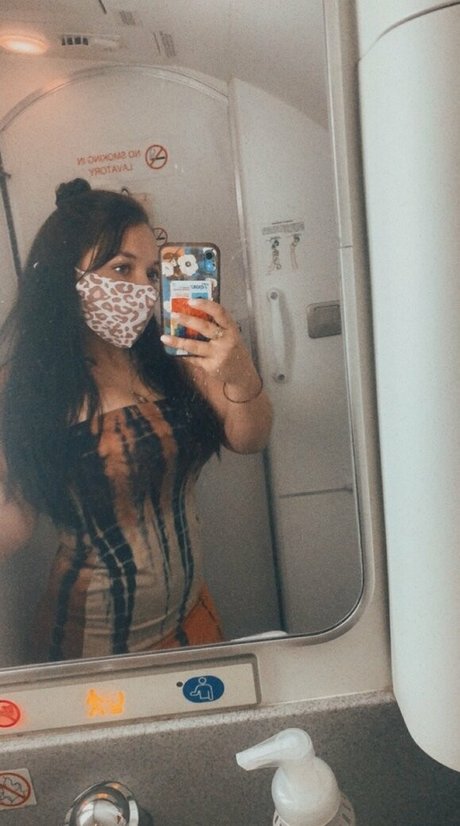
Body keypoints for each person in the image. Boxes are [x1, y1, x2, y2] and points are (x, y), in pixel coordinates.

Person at [0, 178, 272, 662]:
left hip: (192, 616)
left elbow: (250, 437)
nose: (142, 290)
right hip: (94, 644)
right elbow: (14, 527)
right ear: (64, 277)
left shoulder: (174, 357)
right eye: (121, 268)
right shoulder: (29, 387)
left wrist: (239, 371)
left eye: (151, 273)